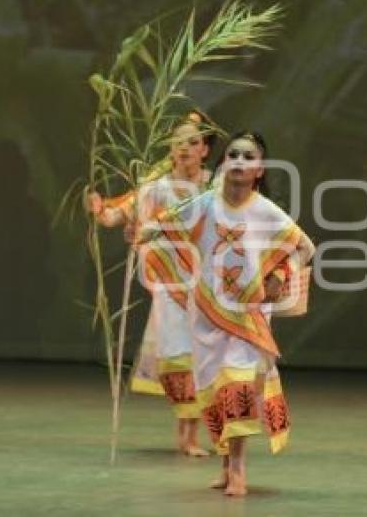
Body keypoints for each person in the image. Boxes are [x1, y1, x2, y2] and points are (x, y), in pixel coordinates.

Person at [141, 131, 315, 496]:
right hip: (205, 314)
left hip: (245, 316)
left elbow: (305, 248)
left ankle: (238, 469)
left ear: (259, 169)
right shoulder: (205, 203)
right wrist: (142, 231)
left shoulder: (265, 210)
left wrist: (280, 275)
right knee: (213, 390)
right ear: (223, 163)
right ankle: (224, 466)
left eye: (247, 157)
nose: (238, 160)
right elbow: (163, 225)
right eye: (233, 154)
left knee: (237, 386)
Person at [87, 110, 215, 456]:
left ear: (204, 149)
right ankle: (186, 434)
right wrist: (101, 209)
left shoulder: (213, 187)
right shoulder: (154, 189)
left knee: (207, 359)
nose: (184, 147)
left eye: (193, 141)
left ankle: (205, 430)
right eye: (178, 142)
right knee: (178, 355)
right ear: (170, 149)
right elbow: (117, 215)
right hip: (168, 290)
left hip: (206, 287)